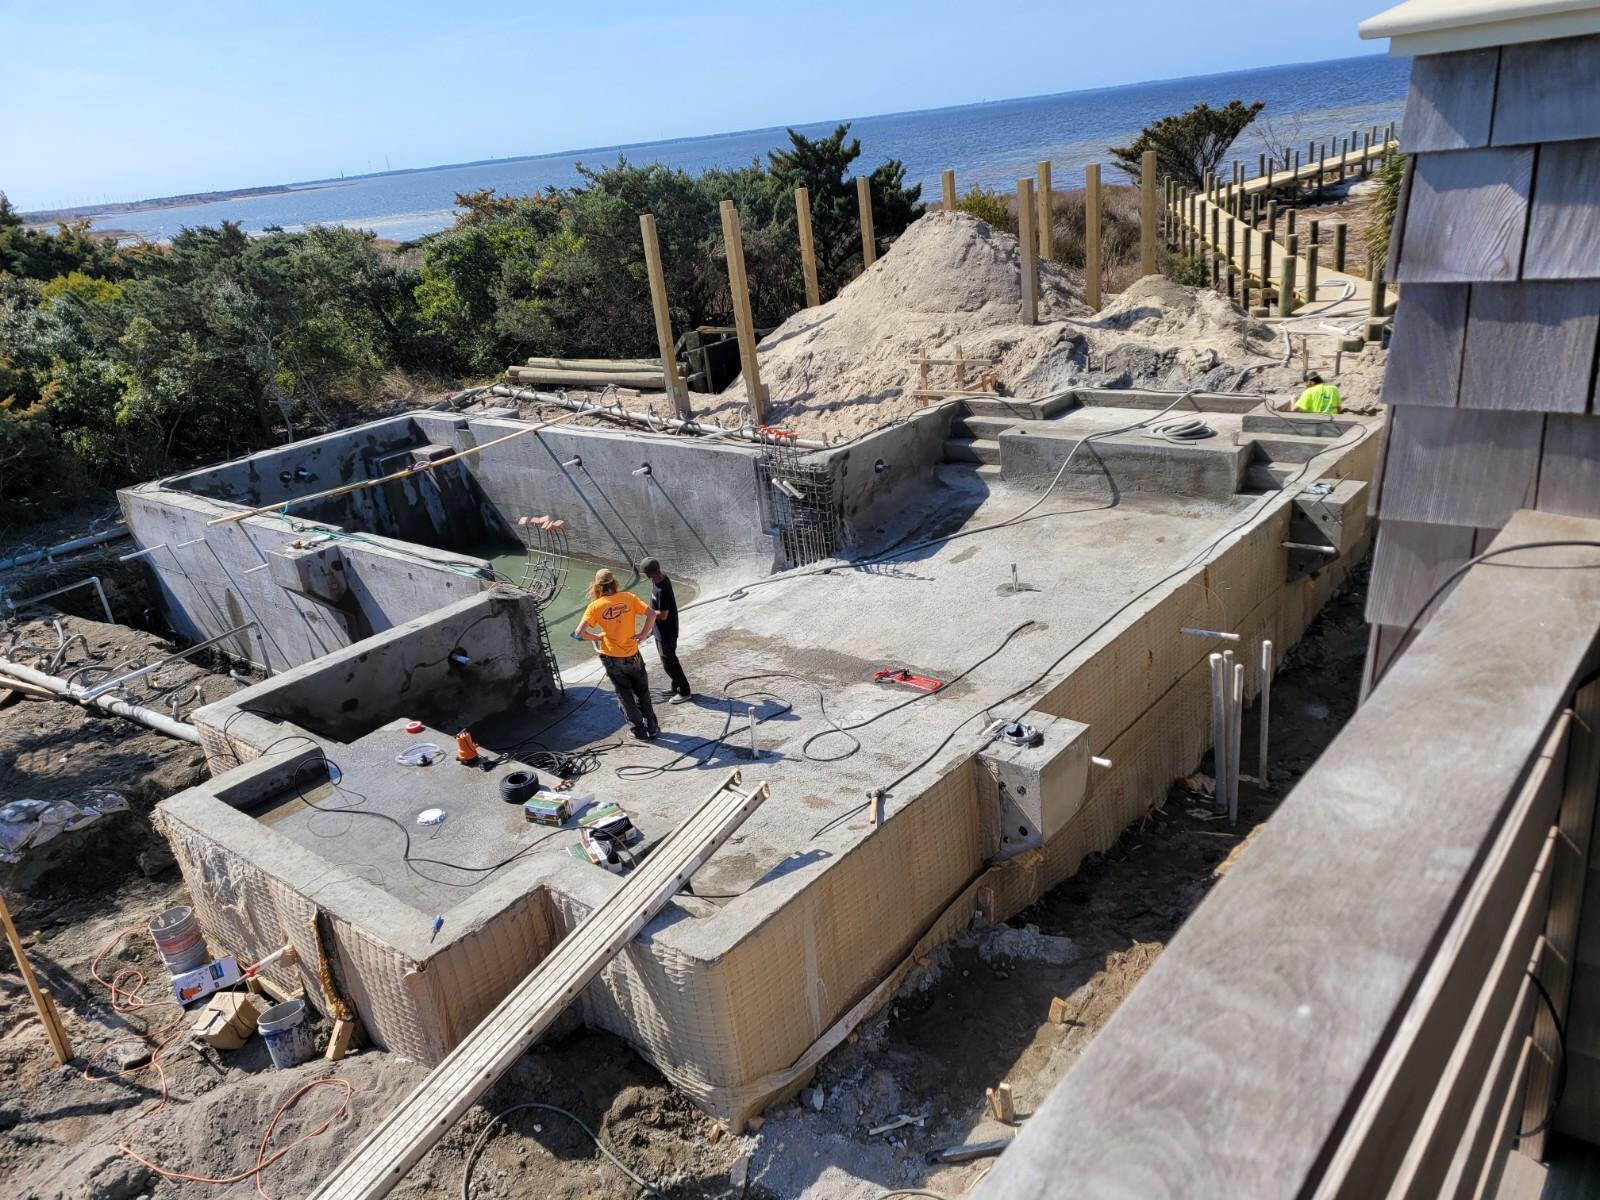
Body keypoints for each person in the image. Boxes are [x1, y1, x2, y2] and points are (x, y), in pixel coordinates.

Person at [573, 568, 659, 740]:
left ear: (597, 587)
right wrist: (642, 634)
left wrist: (597, 636)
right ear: (615, 583)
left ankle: (639, 732)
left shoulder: (595, 606)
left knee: (625, 695)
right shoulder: (628, 597)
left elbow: (579, 633)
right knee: (642, 692)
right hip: (633, 655)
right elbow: (652, 614)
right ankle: (653, 727)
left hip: (612, 659)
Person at [640, 557, 692, 704]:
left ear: (649, 574)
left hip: (666, 633)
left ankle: (685, 691)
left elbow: (663, 614)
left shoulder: (662, 588)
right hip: (659, 631)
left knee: (669, 663)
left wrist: (647, 612)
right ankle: (675, 687)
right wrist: (651, 627)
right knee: (669, 660)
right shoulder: (660, 580)